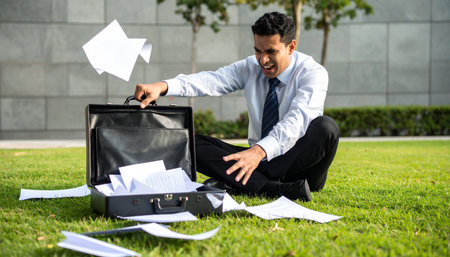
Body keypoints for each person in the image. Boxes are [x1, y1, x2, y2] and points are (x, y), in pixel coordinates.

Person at [134, 12, 339, 202]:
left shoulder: (313, 73)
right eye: (258, 51)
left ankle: (244, 182)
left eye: (271, 52)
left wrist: (258, 152)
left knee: (326, 127)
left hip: (300, 165)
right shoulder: (251, 67)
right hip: (255, 161)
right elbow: (212, 80)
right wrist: (163, 86)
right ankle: (270, 188)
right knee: (185, 140)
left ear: (291, 47)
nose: (263, 60)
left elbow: (297, 121)